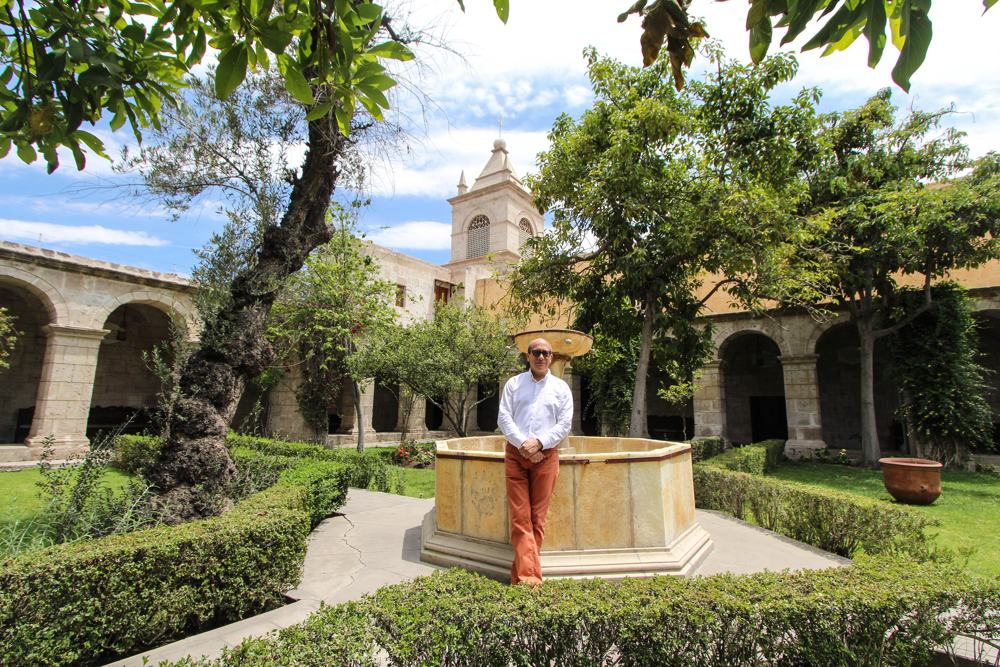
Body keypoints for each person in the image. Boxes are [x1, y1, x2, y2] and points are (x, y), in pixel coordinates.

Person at [497, 337, 573, 586]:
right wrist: (524, 445)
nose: (541, 357)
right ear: (527, 356)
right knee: (520, 517)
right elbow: (504, 418)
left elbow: (564, 424)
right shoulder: (514, 384)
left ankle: (521, 577)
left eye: (546, 353)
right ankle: (530, 580)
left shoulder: (561, 388)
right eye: (536, 352)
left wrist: (539, 443)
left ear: (551, 357)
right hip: (516, 456)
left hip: (546, 456)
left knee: (537, 518)